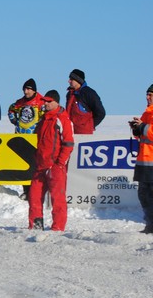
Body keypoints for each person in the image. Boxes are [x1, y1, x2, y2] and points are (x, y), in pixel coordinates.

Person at [28, 90, 75, 232]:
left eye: (49, 101)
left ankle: (58, 228)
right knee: (34, 197)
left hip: (55, 166)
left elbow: (68, 143)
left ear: (56, 102)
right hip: (41, 166)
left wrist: (59, 163)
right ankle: (35, 226)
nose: (46, 103)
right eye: (45, 101)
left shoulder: (63, 119)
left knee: (57, 199)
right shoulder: (43, 120)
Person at [7, 78, 46, 200]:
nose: (26, 91)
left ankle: (37, 191)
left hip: (34, 138)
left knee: (35, 166)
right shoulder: (20, 102)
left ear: (34, 90)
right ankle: (26, 190)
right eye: (25, 89)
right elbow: (11, 109)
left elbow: (46, 115)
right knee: (24, 165)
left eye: (29, 89)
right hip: (21, 137)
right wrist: (13, 119)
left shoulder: (40, 102)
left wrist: (40, 126)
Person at [130, 84, 153, 234]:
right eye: (147, 94)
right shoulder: (147, 113)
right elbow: (143, 134)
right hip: (144, 161)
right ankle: (150, 224)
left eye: (151, 94)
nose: (147, 97)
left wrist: (143, 126)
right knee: (144, 194)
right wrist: (136, 129)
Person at [66, 68, 106, 134]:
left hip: (84, 134)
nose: (69, 81)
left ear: (78, 80)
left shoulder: (89, 93)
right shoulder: (69, 94)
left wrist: (90, 125)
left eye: (71, 79)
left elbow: (101, 113)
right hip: (70, 132)